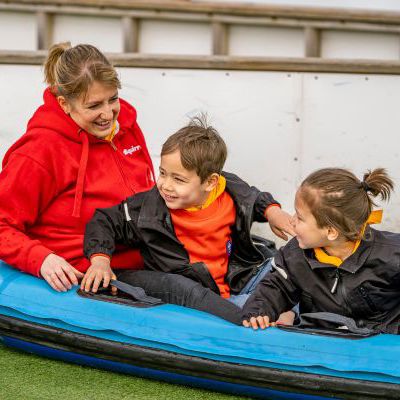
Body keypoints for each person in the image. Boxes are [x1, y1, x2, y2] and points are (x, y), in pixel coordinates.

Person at [83, 117, 295, 325]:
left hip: (237, 279)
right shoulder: (149, 208)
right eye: (163, 173)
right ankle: (272, 315)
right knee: (247, 306)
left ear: (210, 182)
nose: (165, 185)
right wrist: (100, 259)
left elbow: (253, 197)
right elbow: (105, 220)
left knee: (290, 263)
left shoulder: (227, 187)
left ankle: (288, 312)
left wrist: (273, 212)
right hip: (202, 295)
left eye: (178, 179)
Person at [0, 42, 154, 292]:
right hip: (88, 273)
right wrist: (40, 259)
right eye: (94, 106)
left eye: (112, 99)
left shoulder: (127, 126)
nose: (108, 114)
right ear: (64, 104)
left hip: (145, 258)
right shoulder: (40, 150)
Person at [242, 167, 400, 334]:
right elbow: (276, 286)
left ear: (331, 232)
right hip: (322, 343)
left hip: (382, 345)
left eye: (300, 217)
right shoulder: (295, 255)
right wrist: (257, 312)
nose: (292, 221)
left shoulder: (390, 254)